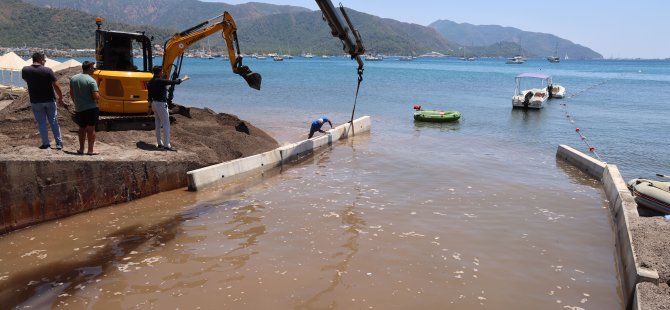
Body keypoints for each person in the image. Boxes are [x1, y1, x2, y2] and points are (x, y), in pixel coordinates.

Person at [22, 52, 64, 150]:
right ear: (41, 60)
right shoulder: (48, 70)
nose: (44, 62)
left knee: (41, 123)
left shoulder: (25, 70)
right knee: (54, 121)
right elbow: (56, 85)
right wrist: (61, 97)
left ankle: (46, 144)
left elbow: (26, 80)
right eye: (44, 60)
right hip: (49, 99)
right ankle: (58, 143)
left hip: (35, 100)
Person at [147, 66, 189, 151]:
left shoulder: (150, 82)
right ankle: (166, 145)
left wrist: (149, 106)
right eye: (162, 72)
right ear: (159, 72)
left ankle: (159, 143)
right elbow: (174, 82)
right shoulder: (160, 81)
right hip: (161, 104)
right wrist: (184, 79)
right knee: (166, 124)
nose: (162, 73)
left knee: (158, 124)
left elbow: (149, 95)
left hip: (154, 104)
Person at [69, 61, 100, 155]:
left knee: (82, 128)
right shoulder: (91, 80)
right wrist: (99, 95)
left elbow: (71, 92)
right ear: (90, 68)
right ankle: (90, 150)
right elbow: (96, 96)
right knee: (91, 129)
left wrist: (76, 103)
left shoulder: (73, 78)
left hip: (79, 108)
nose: (94, 69)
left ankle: (81, 149)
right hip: (91, 108)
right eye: (93, 67)